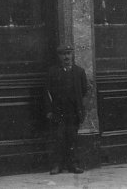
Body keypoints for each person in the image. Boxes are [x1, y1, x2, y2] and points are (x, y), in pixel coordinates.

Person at [44, 45, 88, 175]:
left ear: (72, 55)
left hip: (74, 111)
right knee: (59, 138)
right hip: (58, 112)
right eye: (63, 54)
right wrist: (49, 111)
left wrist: (77, 106)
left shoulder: (79, 72)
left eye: (68, 53)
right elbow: (46, 92)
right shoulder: (52, 72)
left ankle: (73, 165)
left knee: (72, 138)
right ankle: (57, 165)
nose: (66, 57)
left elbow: (83, 91)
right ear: (59, 56)